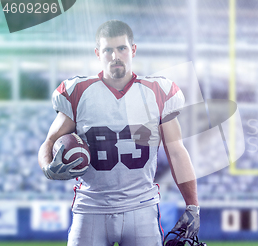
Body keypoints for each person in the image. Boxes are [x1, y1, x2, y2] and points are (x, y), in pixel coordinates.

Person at [37, 20, 200, 246]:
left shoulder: (158, 92)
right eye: (108, 50)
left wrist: (192, 205)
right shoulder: (78, 92)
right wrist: (47, 166)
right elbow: (49, 142)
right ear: (98, 53)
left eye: (122, 48)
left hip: (140, 207)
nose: (115, 56)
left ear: (133, 49)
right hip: (91, 207)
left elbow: (176, 151)